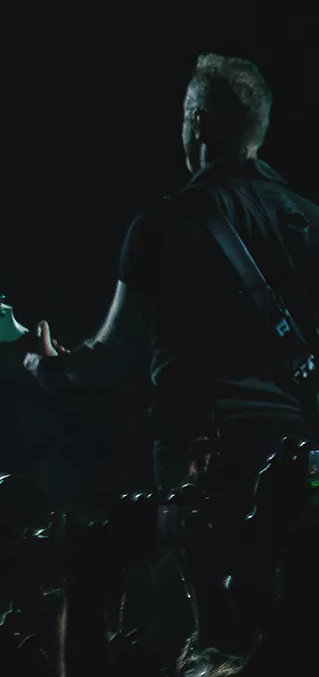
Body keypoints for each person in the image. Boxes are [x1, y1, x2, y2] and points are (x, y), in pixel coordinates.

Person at [24, 55, 317, 494]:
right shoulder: (311, 220)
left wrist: (51, 368)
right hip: (299, 460)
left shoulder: (163, 225)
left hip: (202, 462)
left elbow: (110, 356)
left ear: (198, 122)